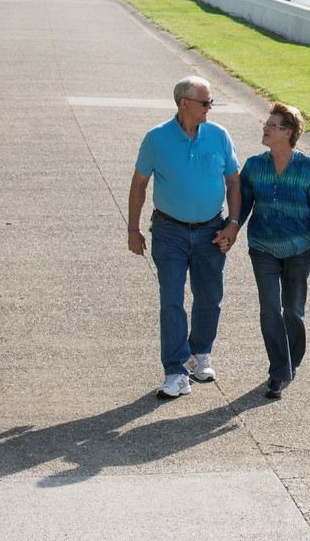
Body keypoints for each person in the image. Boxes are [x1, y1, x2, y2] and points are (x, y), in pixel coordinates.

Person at [128, 75, 241, 399]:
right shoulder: (156, 139)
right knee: (172, 300)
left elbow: (233, 181)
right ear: (184, 104)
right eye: (205, 103)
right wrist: (133, 230)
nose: (210, 108)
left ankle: (199, 352)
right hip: (169, 231)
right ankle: (175, 371)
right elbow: (139, 184)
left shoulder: (219, 135)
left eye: (210, 103)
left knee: (209, 298)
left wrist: (233, 224)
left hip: (211, 231)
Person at [238, 101, 310, 400]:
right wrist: (230, 230)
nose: (265, 127)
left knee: (293, 310)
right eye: (266, 123)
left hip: (299, 249)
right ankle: (278, 371)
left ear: (287, 133)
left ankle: (292, 360)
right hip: (262, 247)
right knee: (269, 309)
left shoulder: (308, 166)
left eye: (271, 125)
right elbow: (243, 204)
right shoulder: (253, 165)